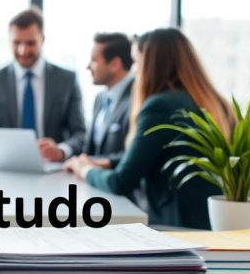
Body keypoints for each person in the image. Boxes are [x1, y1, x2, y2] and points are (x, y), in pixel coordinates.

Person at [64, 27, 235, 229]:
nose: (134, 70)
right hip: (216, 222)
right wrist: (108, 162)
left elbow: (121, 182)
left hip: (176, 227)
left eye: (136, 62)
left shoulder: (159, 106)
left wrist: (86, 170)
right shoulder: (215, 102)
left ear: (153, 65)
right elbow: (157, 153)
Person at [0, 6, 85, 162]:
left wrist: (61, 150)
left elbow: (80, 133)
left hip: (53, 169)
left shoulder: (67, 79)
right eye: (16, 43)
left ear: (42, 39)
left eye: (30, 43)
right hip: (7, 167)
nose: (23, 50)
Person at [81, 32, 135, 167]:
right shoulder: (100, 99)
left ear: (115, 64)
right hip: (91, 181)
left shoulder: (137, 99)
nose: (88, 67)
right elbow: (89, 150)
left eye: (94, 60)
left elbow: (133, 155)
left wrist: (93, 164)